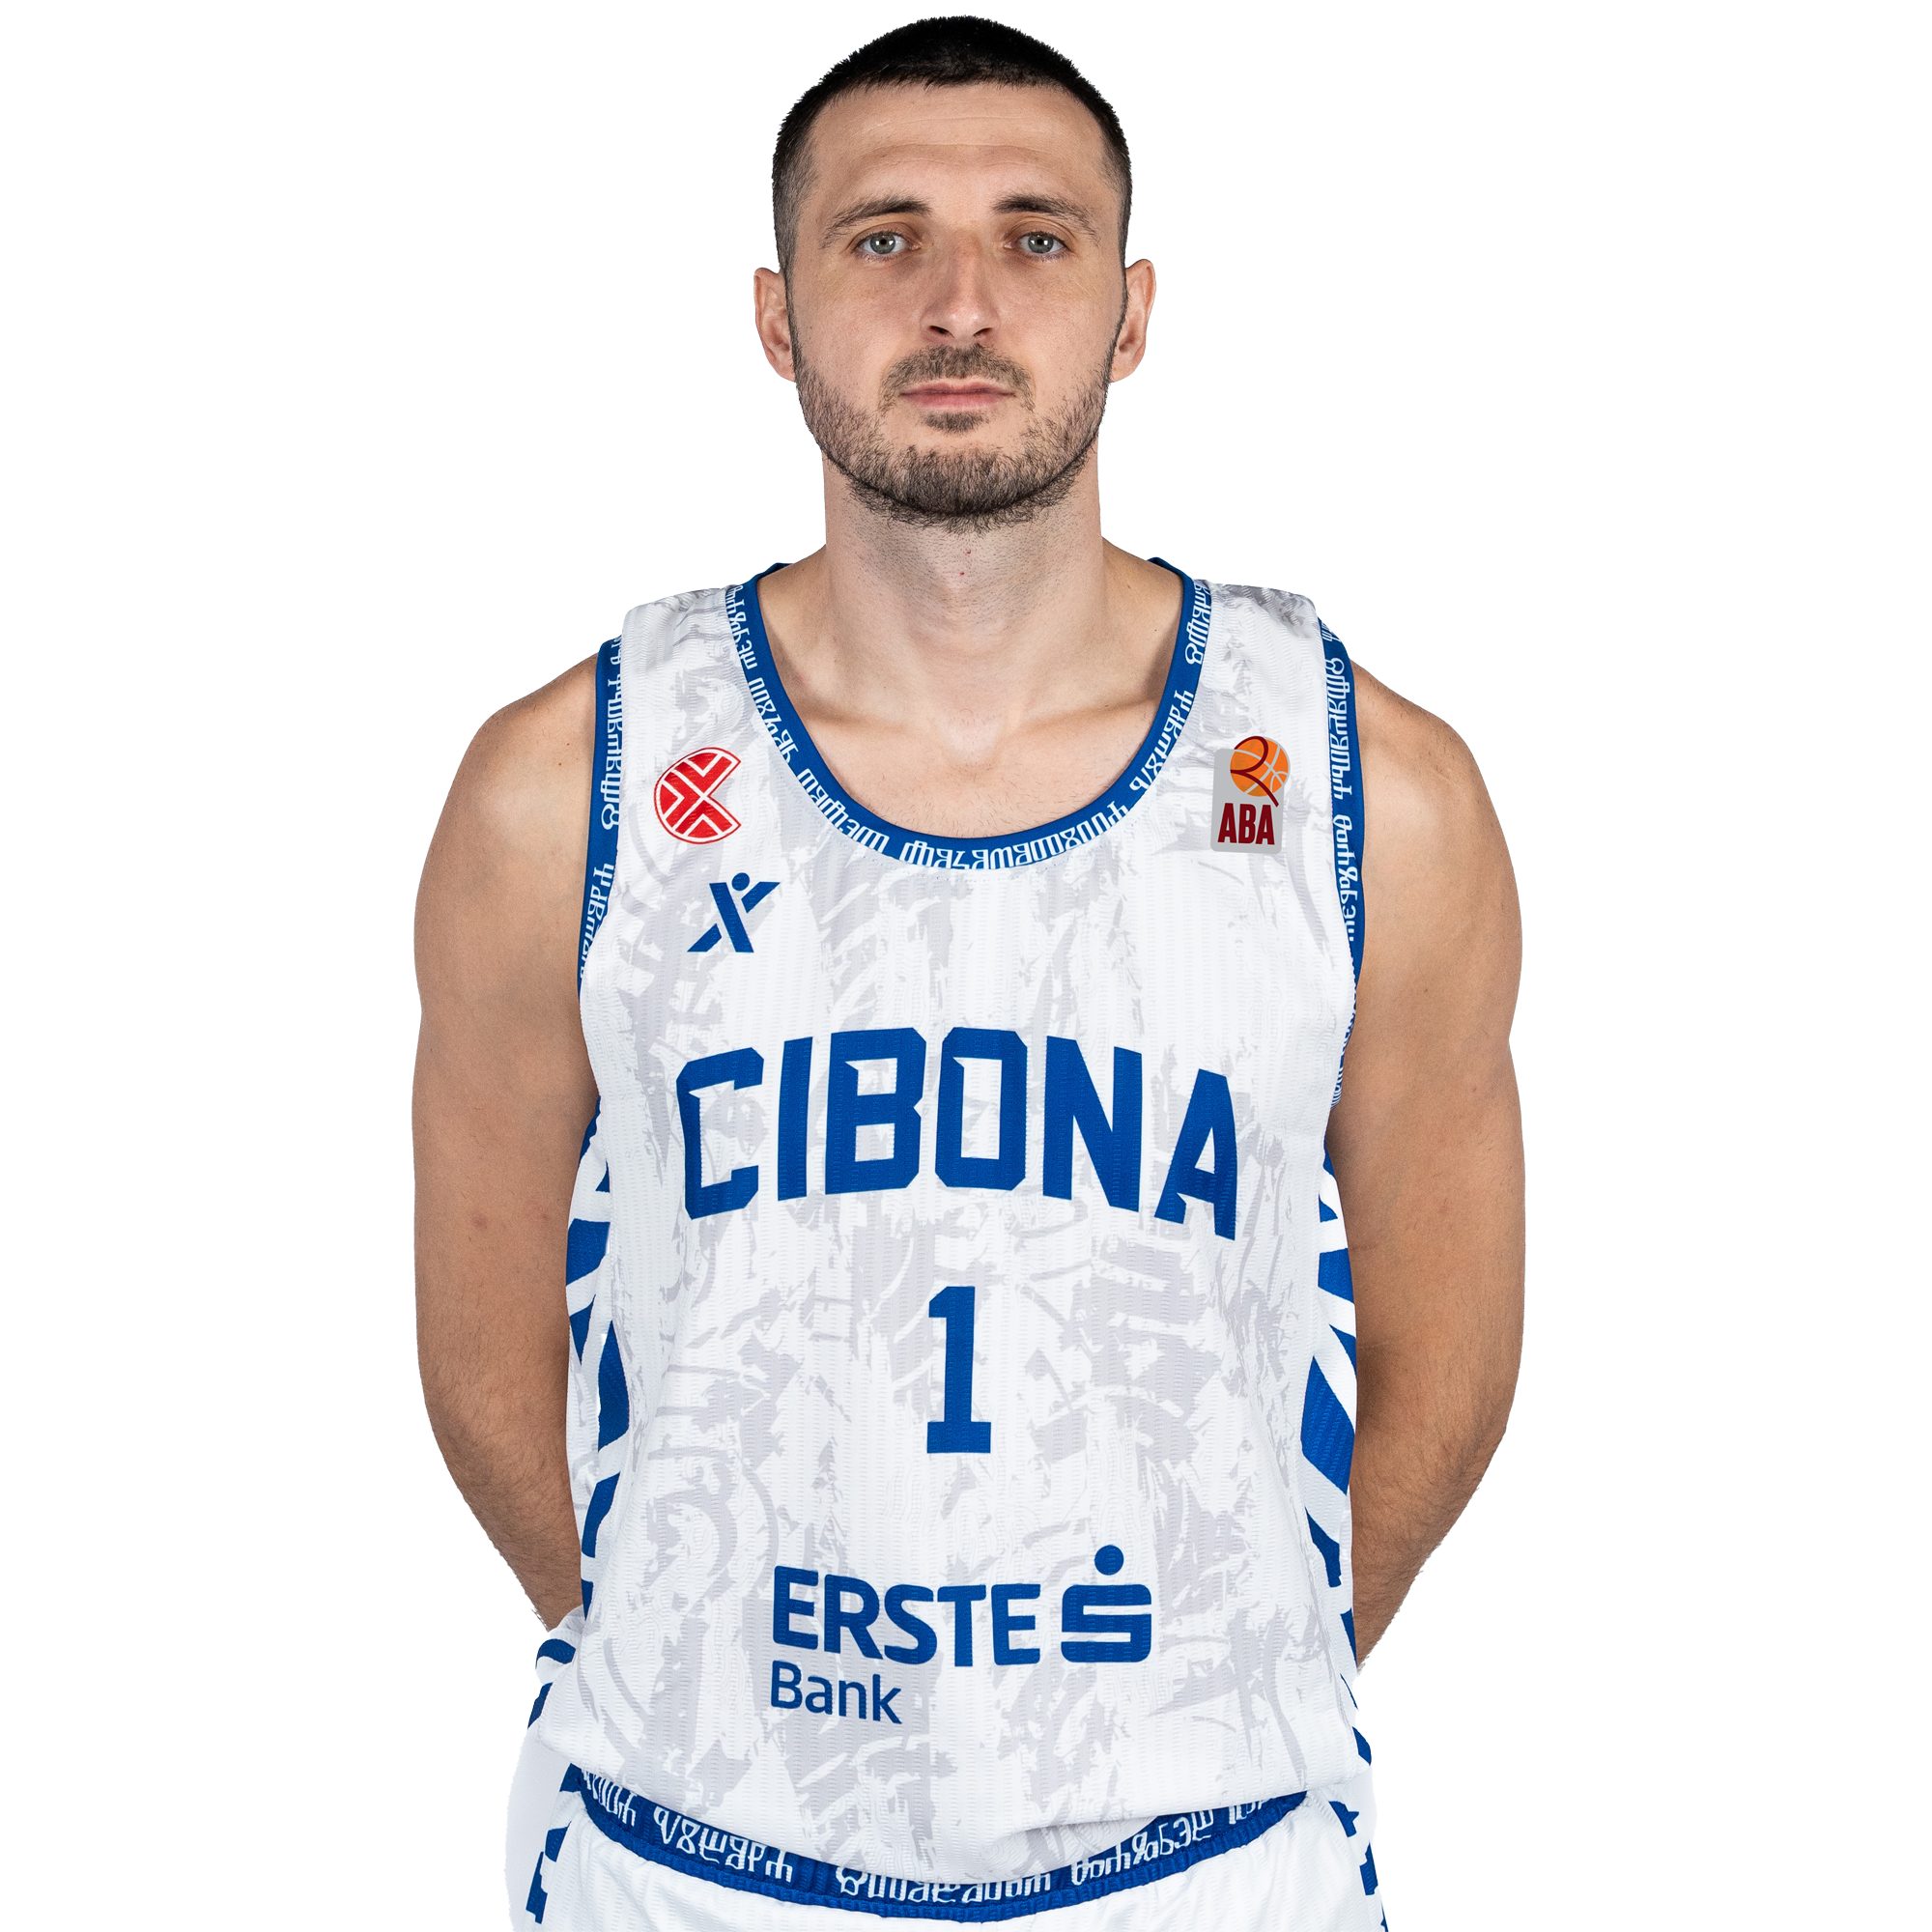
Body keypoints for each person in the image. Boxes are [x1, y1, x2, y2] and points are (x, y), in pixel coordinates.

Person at [413, 15, 1522, 1930]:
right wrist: (666, 1644)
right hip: (699, 1865)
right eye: (883, 239)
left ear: (1129, 309)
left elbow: (1456, 1346)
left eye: (1034, 236)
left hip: (1203, 1862)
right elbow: (478, 1332)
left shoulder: (1366, 791)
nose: (959, 303)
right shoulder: (567, 784)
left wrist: (1226, 1672)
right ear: (776, 318)